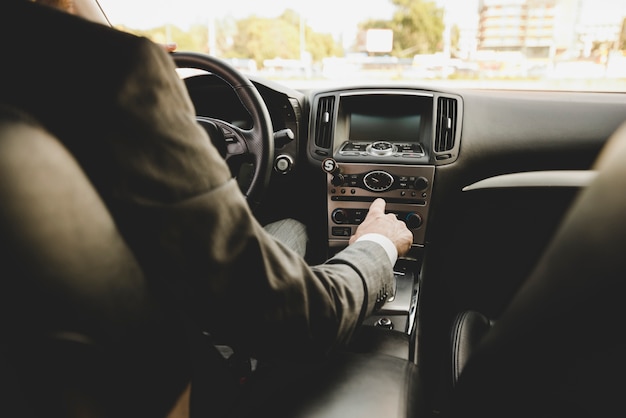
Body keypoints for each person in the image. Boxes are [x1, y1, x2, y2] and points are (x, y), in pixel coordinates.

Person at [2, 0, 412, 366]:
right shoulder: (121, 76)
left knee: (291, 227)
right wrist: (376, 247)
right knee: (295, 226)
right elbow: (298, 320)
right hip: (169, 382)